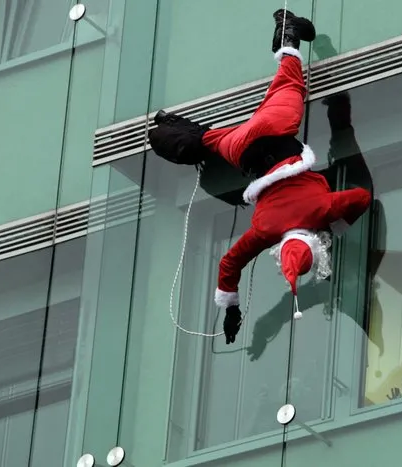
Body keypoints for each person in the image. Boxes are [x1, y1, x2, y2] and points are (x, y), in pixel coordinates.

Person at [149, 10, 372, 345]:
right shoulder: (265, 231)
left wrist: (337, 221)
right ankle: (164, 126)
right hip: (242, 150)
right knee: (208, 141)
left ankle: (288, 32)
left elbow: (362, 198)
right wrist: (231, 307)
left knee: (290, 79)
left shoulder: (321, 210)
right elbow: (229, 263)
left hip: (276, 130)